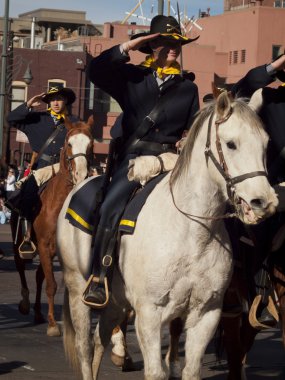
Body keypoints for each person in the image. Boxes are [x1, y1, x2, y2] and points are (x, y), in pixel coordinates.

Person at [83, 15, 200, 308]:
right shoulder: (133, 78)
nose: (174, 48)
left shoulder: (188, 88)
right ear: (151, 45)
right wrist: (130, 45)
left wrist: (188, 142)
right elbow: (95, 71)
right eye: (166, 42)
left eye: (178, 43)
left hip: (171, 159)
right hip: (135, 159)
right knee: (111, 205)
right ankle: (99, 276)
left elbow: (194, 126)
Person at [227, 54, 285, 328]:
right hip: (276, 188)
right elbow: (237, 92)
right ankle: (259, 296)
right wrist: (273, 66)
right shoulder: (269, 99)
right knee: (258, 231)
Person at [7, 86, 77, 252]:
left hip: (64, 170)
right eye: (52, 99)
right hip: (41, 169)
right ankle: (27, 235)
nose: (55, 102)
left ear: (65, 100)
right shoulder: (36, 118)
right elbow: (10, 119)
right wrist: (28, 104)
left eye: (59, 99)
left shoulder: (74, 121)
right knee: (27, 196)